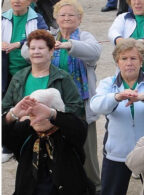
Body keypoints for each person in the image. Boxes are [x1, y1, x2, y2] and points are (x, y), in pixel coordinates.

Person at [90, 38, 144, 195]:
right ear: (117, 62)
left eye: (133, 58)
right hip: (116, 151)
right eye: (124, 58)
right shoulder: (107, 83)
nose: (129, 62)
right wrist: (116, 97)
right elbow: (95, 105)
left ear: (141, 61)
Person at [51, 0, 102, 192]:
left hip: (81, 102)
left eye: (71, 15)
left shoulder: (85, 36)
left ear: (79, 19)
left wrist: (69, 45)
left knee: (87, 150)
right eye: (62, 15)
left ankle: (95, 186)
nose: (66, 18)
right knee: (58, 147)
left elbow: (95, 52)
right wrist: (45, 45)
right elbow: (27, 51)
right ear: (56, 18)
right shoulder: (49, 36)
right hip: (56, 104)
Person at [2, 88, 93, 195]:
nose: (37, 118)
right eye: (32, 113)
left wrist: (51, 114)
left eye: (40, 112)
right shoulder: (26, 130)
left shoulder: (66, 130)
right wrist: (12, 114)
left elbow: (80, 128)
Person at [3, 29, 82, 123]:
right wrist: (16, 115)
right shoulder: (18, 77)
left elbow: (77, 108)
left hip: (53, 134)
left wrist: (52, 114)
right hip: (22, 134)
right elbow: (5, 108)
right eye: (32, 48)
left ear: (51, 51)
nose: (36, 52)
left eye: (41, 48)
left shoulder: (63, 77)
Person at [2, 0, 48, 96]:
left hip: (29, 71)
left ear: (29, 2)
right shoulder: (2, 18)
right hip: (5, 74)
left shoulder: (37, 19)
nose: (17, 1)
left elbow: (44, 37)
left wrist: (19, 44)